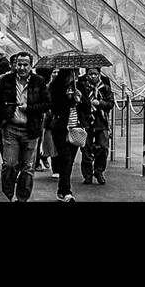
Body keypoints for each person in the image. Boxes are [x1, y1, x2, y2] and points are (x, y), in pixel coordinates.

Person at [0, 52, 50, 202]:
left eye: (25, 65)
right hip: (11, 128)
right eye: (19, 64)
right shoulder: (6, 80)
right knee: (9, 164)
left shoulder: (39, 82)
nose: (22, 68)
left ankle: (22, 198)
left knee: (27, 168)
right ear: (15, 64)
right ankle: (7, 196)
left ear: (31, 66)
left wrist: (29, 107)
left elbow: (47, 104)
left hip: (31, 130)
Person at [48, 68, 85, 202]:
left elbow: (86, 107)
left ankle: (62, 190)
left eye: (76, 72)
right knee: (66, 159)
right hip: (61, 129)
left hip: (76, 129)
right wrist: (70, 98)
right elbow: (54, 107)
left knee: (69, 161)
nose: (76, 75)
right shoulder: (56, 87)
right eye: (73, 72)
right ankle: (66, 191)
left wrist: (80, 98)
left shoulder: (79, 86)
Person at [78, 67, 114, 186]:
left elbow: (110, 104)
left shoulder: (105, 88)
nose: (93, 76)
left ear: (99, 74)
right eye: (90, 74)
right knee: (86, 149)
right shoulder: (81, 87)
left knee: (103, 148)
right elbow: (78, 105)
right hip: (86, 122)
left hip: (101, 122)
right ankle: (87, 175)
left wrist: (100, 103)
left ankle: (99, 171)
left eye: (95, 74)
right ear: (86, 75)